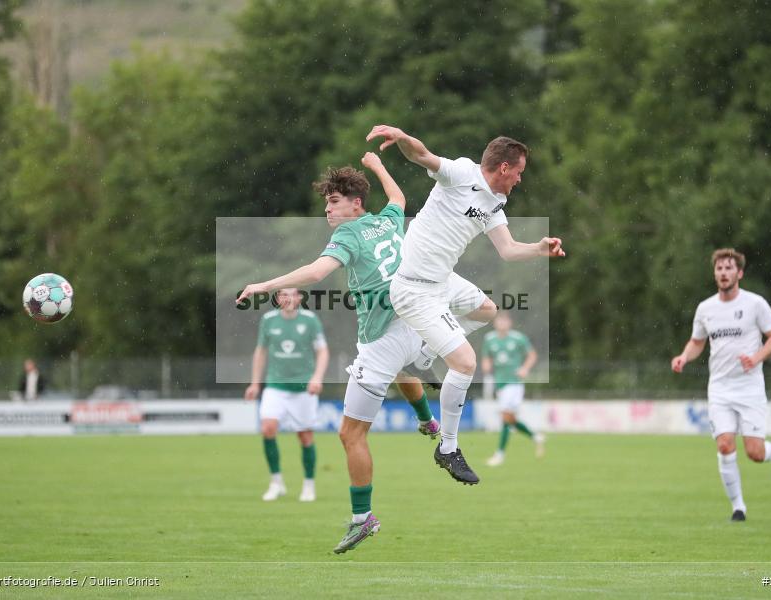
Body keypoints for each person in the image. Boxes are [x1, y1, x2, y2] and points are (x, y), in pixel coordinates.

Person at [238, 152, 440, 553]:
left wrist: (263, 286)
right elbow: (398, 198)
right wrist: (379, 167)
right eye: (326, 203)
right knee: (403, 370)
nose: (328, 210)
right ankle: (429, 422)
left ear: (355, 204)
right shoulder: (386, 221)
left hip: (380, 338)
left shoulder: (348, 235)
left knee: (350, 434)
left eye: (333, 201)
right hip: (416, 322)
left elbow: (315, 273)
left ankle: (363, 518)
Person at [366, 124, 565, 485]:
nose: (519, 180)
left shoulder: (495, 202)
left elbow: (507, 250)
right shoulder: (461, 173)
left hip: (443, 281)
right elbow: (421, 154)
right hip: (414, 288)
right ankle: (448, 446)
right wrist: (403, 137)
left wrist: (539, 248)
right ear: (504, 167)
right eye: (518, 172)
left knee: (487, 310)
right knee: (465, 362)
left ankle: (423, 357)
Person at [671, 248, 771, 522]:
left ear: (739, 273)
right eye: (719, 269)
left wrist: (756, 358)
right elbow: (697, 342)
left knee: (754, 452)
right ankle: (739, 508)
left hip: (749, 388)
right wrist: (683, 357)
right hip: (720, 389)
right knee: (725, 445)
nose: (723, 273)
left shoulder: (755, 304)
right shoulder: (706, 308)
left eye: (729, 268)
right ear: (715, 273)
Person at [244, 287, 329, 503]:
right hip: (275, 385)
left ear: (300, 297)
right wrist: (255, 383)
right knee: (268, 428)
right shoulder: (269, 320)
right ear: (277, 298)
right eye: (283, 294)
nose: (288, 298)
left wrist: (317, 377)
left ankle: (309, 485)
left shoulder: (310, 320)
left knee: (305, 436)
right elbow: (261, 351)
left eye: (292, 294)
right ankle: (276, 482)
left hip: (303, 388)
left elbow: (322, 351)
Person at [481, 312, 545, 466]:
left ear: (509, 323)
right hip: (500, 383)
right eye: (499, 321)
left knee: (505, 416)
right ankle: (535, 436)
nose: (502, 324)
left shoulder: (518, 338)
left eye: (505, 321)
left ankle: (499, 455)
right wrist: (486, 365)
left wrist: (524, 368)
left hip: (514, 383)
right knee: (510, 419)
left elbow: (532, 355)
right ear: (495, 323)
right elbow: (486, 357)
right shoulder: (489, 339)